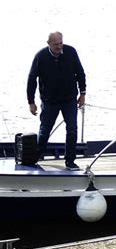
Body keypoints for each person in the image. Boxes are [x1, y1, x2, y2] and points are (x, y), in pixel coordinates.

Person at [27, 31, 86, 171]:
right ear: (49, 44)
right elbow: (31, 79)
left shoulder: (71, 52)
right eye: (56, 45)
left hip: (69, 99)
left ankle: (70, 161)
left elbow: (80, 73)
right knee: (45, 130)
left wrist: (82, 93)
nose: (59, 47)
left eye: (61, 43)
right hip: (49, 101)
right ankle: (37, 156)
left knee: (72, 129)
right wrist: (31, 102)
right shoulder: (40, 56)